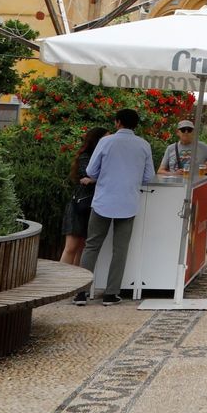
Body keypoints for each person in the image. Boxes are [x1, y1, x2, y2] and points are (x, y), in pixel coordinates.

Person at [75, 108, 155, 306]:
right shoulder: (144, 145)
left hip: (103, 200)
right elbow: (148, 177)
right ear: (136, 125)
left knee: (92, 245)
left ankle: (81, 293)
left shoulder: (105, 142)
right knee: (120, 249)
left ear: (118, 122)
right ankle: (111, 294)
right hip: (128, 202)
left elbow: (91, 170)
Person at [60, 126, 108, 266]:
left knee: (81, 247)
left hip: (91, 205)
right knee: (71, 247)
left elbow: (93, 178)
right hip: (80, 204)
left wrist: (94, 179)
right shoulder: (85, 156)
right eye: (106, 137)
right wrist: (94, 179)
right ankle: (62, 280)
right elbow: (86, 175)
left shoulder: (100, 156)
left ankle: (75, 281)